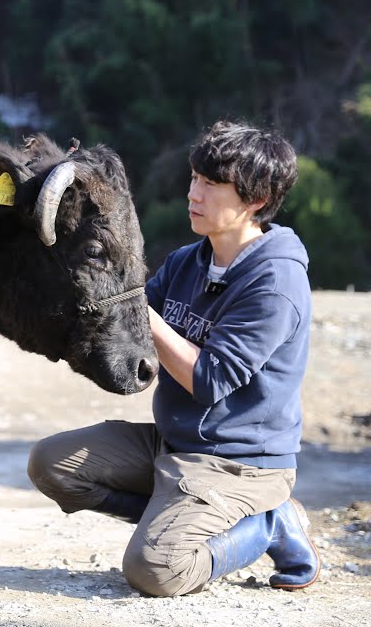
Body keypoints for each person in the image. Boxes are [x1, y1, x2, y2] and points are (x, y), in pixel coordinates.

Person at [27, 121, 320, 597]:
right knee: (51, 463)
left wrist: (139, 309)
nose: (193, 194)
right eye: (194, 178)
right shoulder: (188, 260)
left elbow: (209, 380)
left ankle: (269, 524)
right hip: (173, 446)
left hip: (240, 465)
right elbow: (130, 331)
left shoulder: (275, 282)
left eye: (211, 184)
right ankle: (175, 517)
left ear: (256, 200)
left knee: (155, 571)